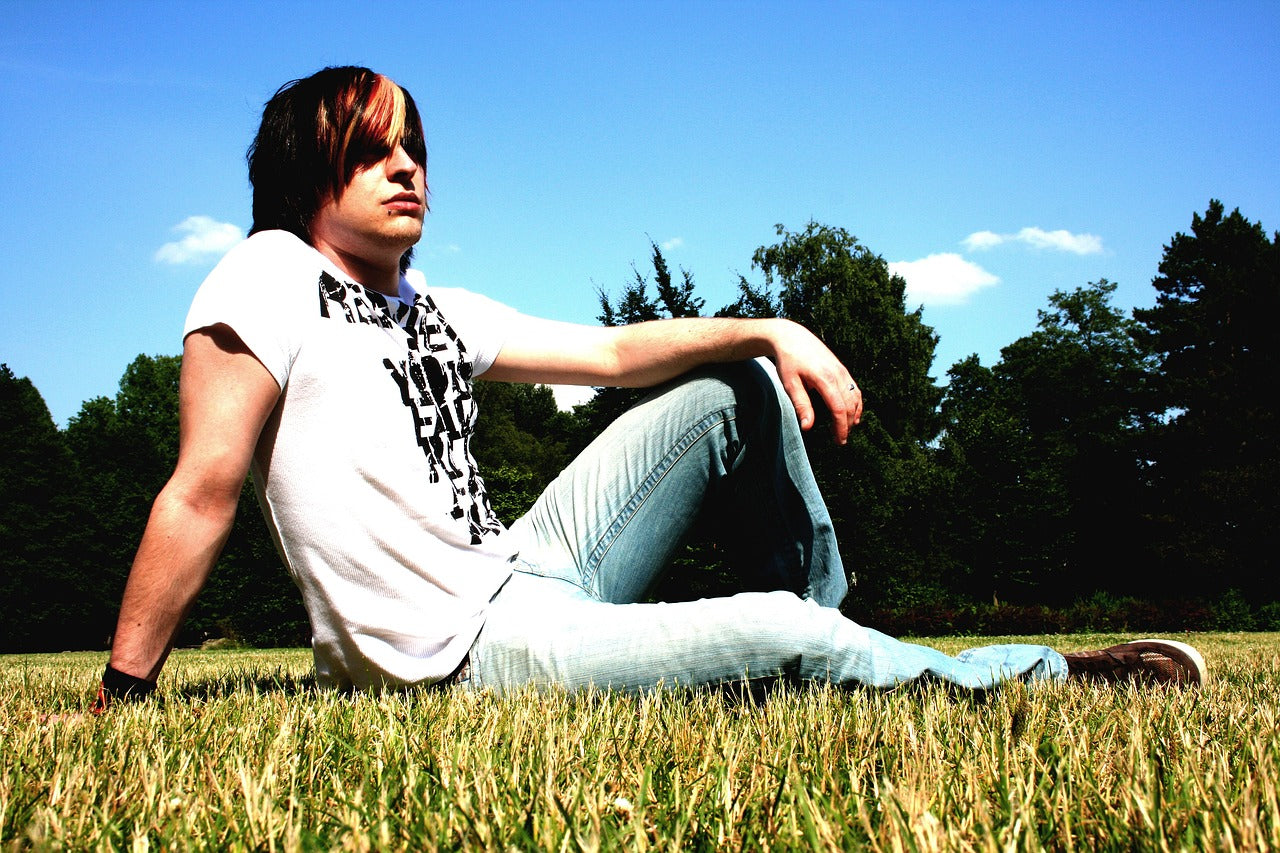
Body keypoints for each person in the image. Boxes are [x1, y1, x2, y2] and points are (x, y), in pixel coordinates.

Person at [92, 67, 1205, 711]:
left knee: (735, 388)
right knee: (774, 628)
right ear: (306, 169)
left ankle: (827, 635)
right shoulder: (270, 273)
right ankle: (1044, 675)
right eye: (373, 149)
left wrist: (769, 327)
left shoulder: (435, 305)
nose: (408, 167)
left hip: (526, 565)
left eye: (414, 147)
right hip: (463, 655)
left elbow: (618, 356)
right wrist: (124, 689)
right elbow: (202, 489)